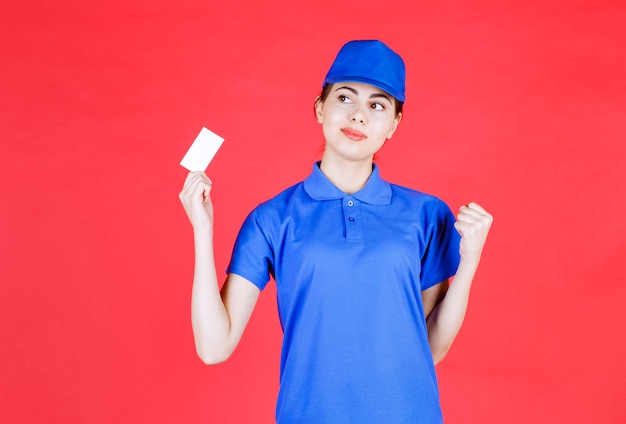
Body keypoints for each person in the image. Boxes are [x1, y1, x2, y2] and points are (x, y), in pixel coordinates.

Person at [179, 40, 493, 423]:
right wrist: (202, 230)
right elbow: (214, 347)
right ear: (319, 108)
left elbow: (431, 346)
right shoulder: (272, 219)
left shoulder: (426, 215)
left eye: (377, 105)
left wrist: (470, 262)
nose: (359, 115)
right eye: (345, 98)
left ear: (394, 124)